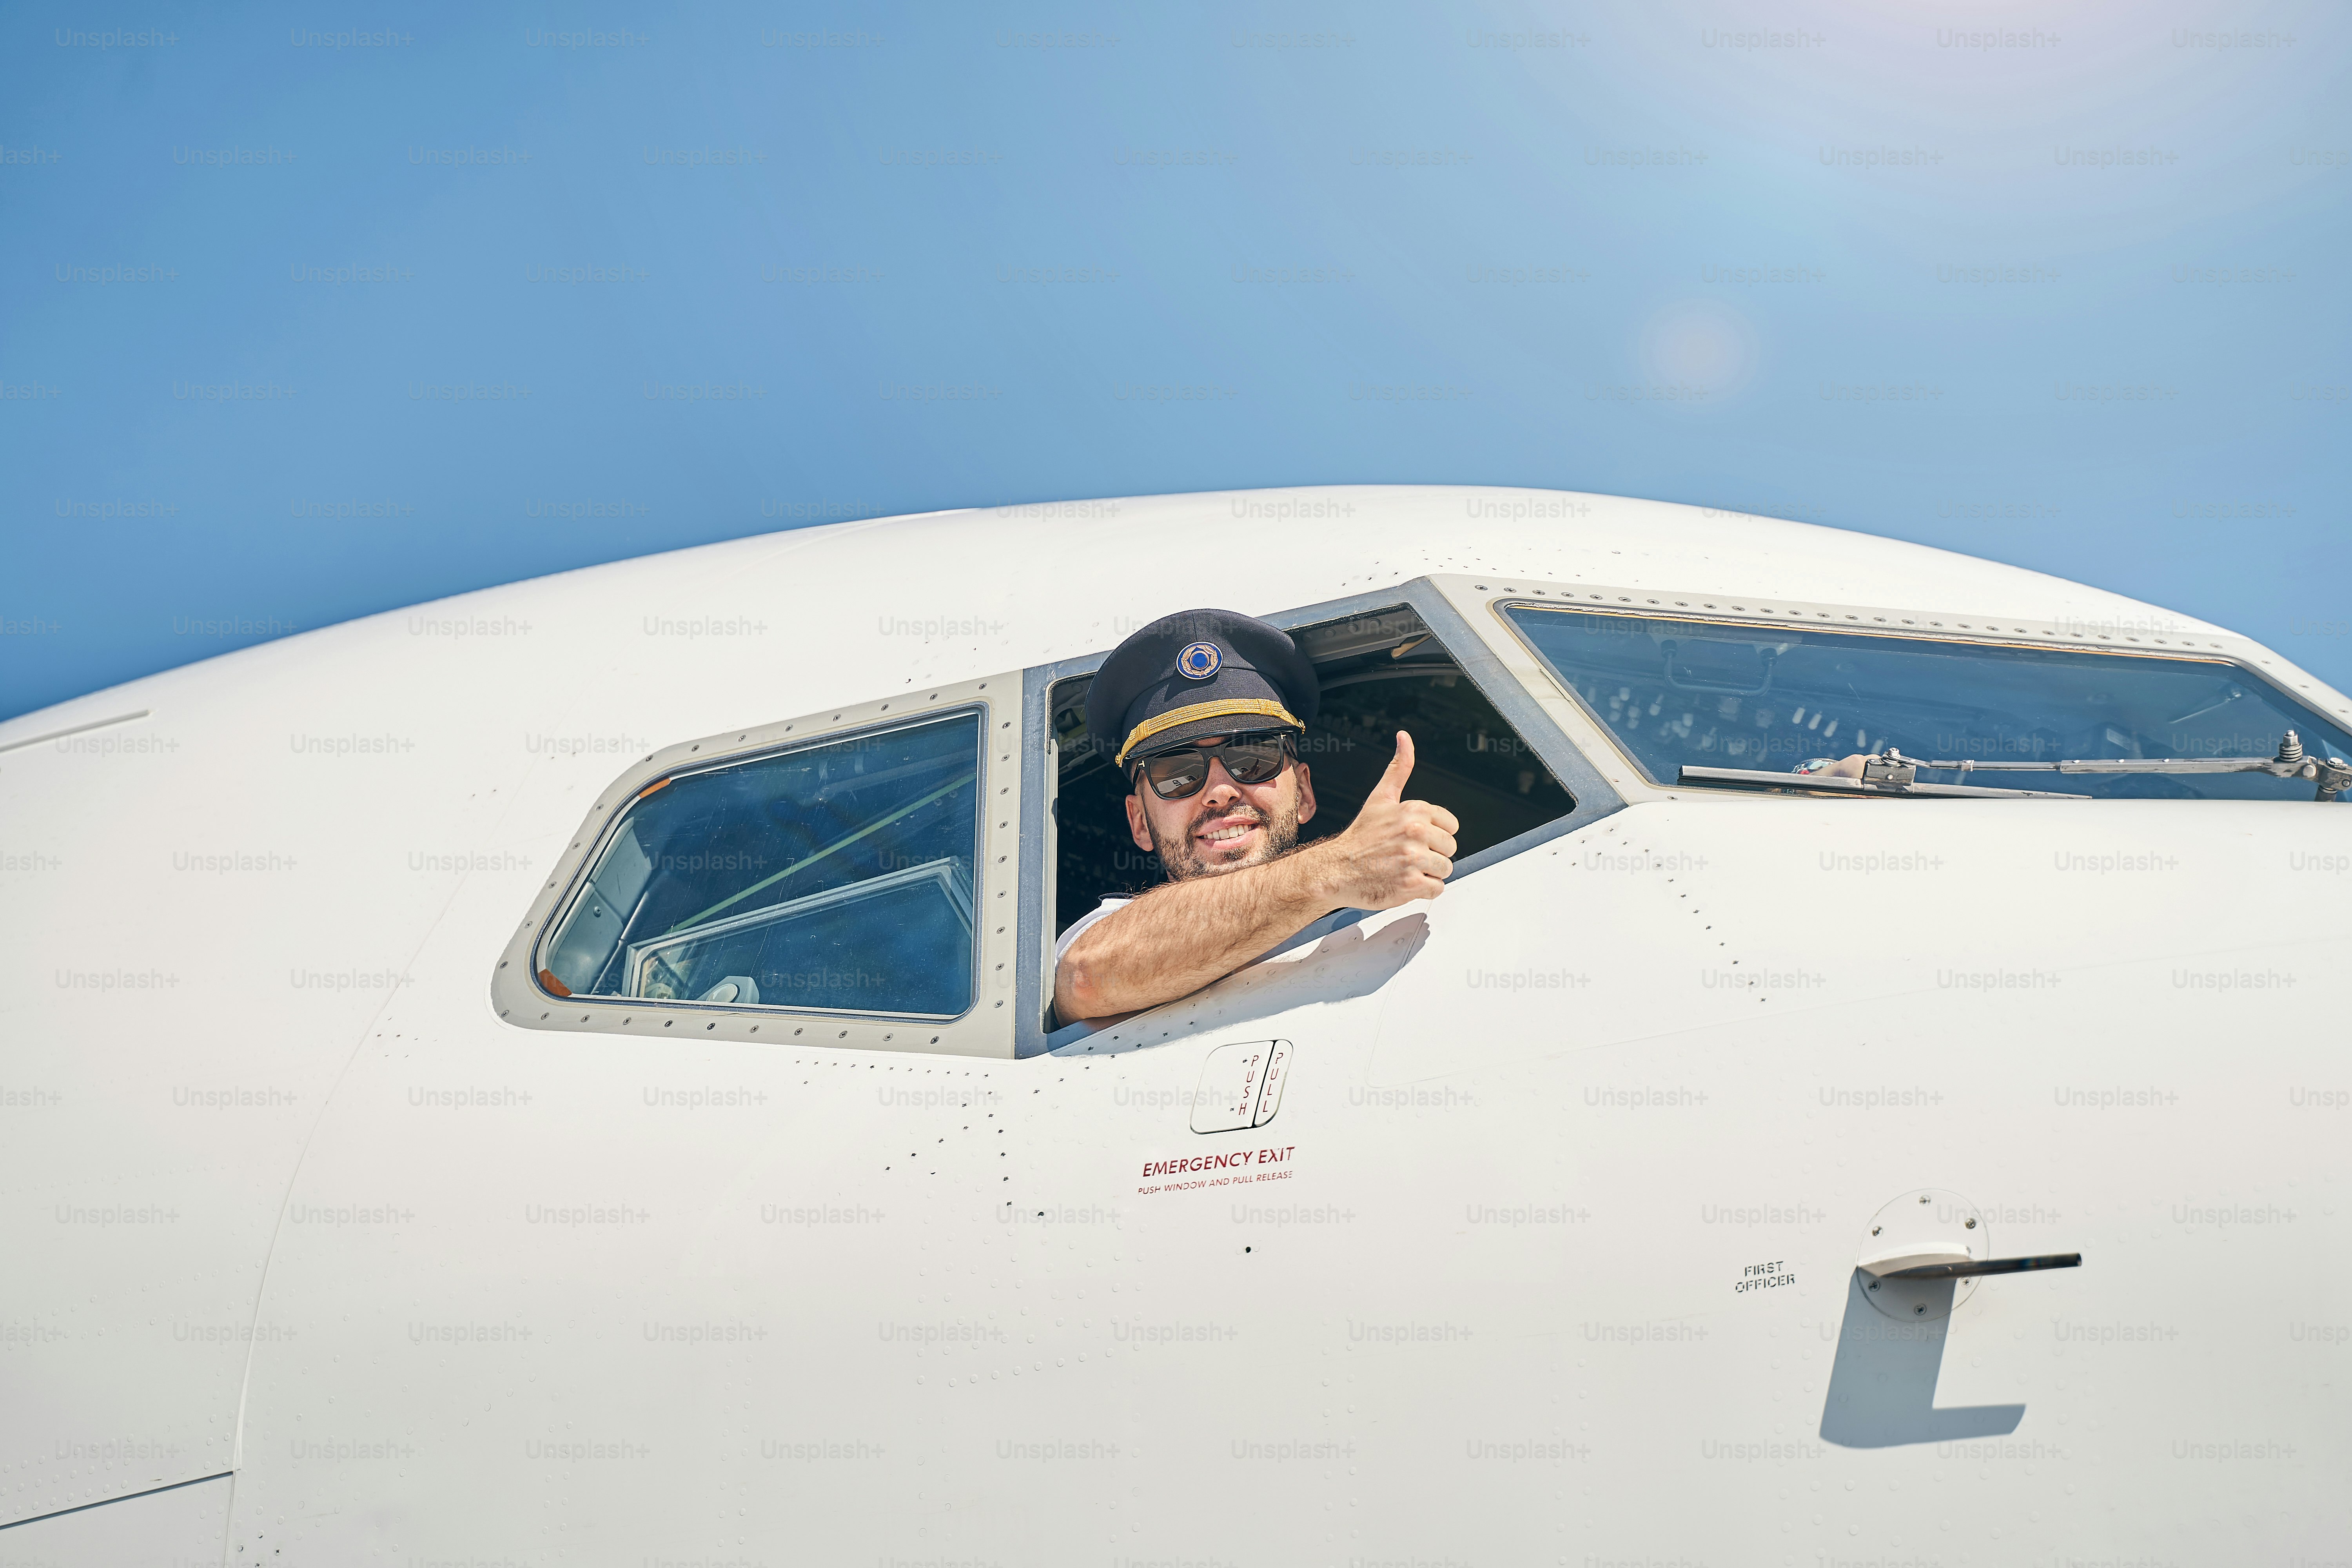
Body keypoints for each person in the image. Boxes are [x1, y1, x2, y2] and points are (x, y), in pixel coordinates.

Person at [1052, 609, 1459, 1025]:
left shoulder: (1397, 919)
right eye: (1176, 774)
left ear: (1304, 793)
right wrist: (1337, 867)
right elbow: (1086, 978)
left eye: (1252, 757)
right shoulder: (1110, 934)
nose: (1221, 792)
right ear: (1139, 822)